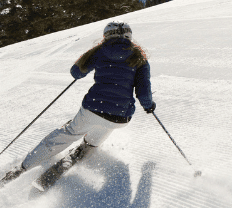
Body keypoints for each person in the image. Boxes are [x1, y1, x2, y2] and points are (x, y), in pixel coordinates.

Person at [12, 21, 155, 176]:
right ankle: (86, 148)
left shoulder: (99, 51)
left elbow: (76, 73)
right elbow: (144, 92)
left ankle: (24, 167)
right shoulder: (139, 57)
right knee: (105, 125)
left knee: (69, 133)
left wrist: (91, 57)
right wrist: (149, 106)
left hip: (94, 108)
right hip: (121, 116)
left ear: (106, 35)